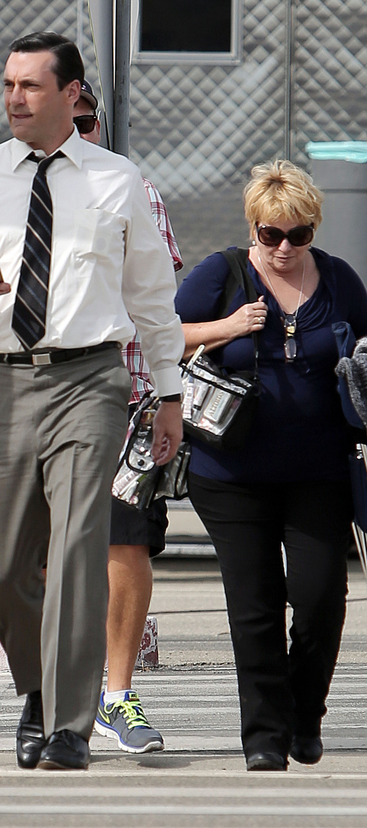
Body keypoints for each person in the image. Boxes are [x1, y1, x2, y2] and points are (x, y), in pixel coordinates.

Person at [0, 32, 184, 771]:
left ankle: (69, 725)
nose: (14, 98)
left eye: (30, 86)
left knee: (76, 546)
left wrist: (168, 392)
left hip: (89, 379)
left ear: (71, 94)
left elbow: (152, 298)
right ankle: (35, 688)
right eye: (7, 84)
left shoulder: (118, 181)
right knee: (3, 560)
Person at [175, 160, 367, 771]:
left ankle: (305, 714)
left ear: (313, 229)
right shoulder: (222, 273)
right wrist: (226, 327)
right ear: (253, 227)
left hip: (320, 472)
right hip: (229, 472)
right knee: (253, 605)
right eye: (271, 234)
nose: (284, 247)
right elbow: (161, 334)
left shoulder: (338, 279)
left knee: (320, 599)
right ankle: (263, 736)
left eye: (298, 234)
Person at [72, 80, 183, 754]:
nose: (78, 132)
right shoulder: (5, 186)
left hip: (125, 398)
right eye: (68, 120)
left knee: (126, 545)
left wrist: (168, 395)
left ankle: (116, 695)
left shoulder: (131, 187)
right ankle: (63, 690)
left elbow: (157, 298)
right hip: (40, 398)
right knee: (42, 554)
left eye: (88, 121)